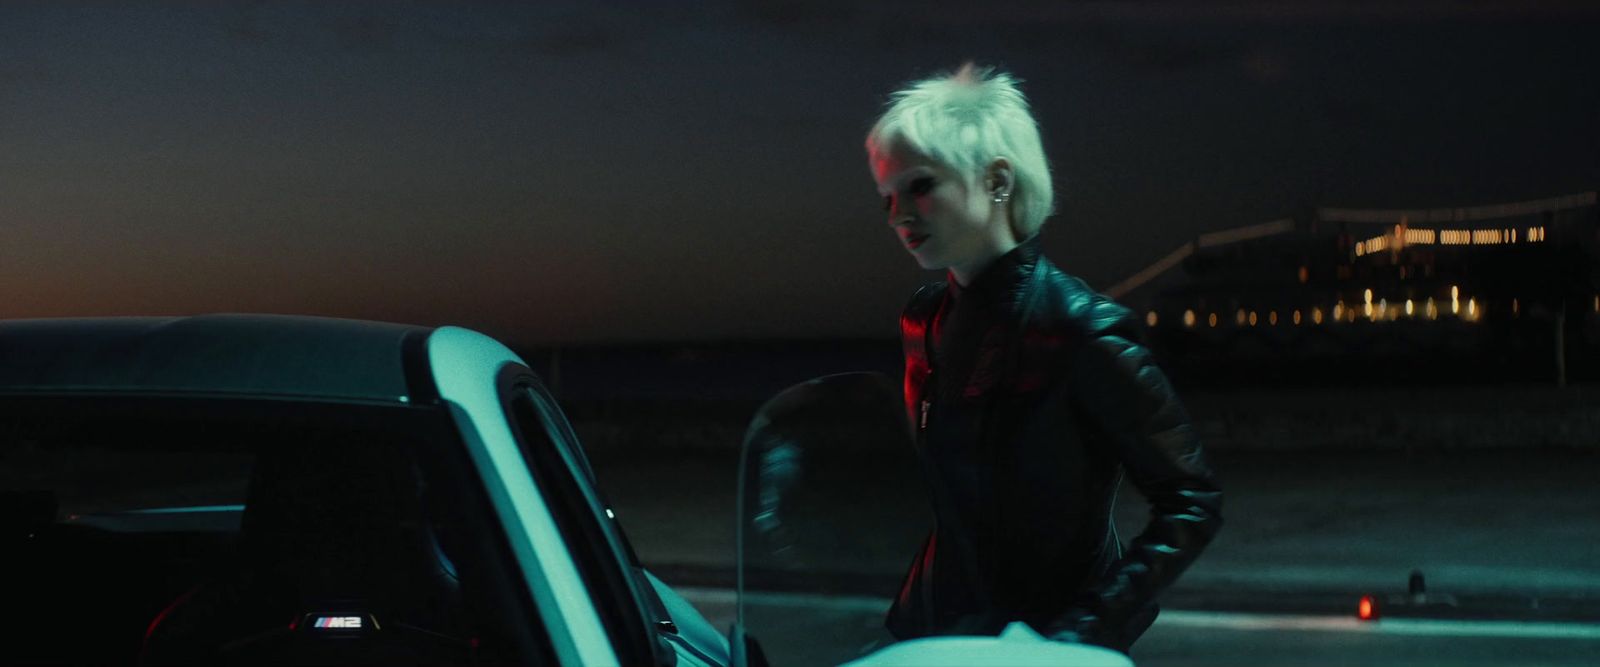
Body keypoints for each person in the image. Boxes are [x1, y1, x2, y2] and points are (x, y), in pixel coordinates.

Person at [866, 63, 1223, 653]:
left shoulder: (1081, 328)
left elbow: (1191, 500)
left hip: (1041, 646)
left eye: (920, 185)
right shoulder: (924, 319)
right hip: (929, 635)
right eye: (886, 196)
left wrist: (1079, 635)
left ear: (998, 180)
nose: (897, 215)